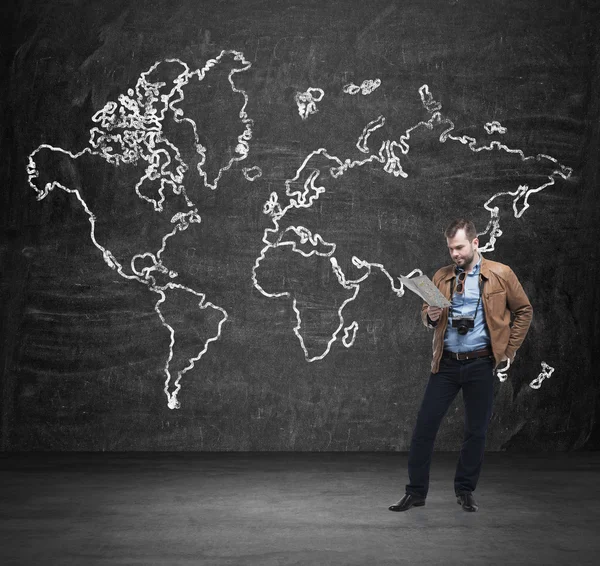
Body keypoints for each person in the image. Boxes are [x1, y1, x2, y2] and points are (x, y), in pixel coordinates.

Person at [389, 219, 533, 512]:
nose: (454, 254)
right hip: (446, 364)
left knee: (476, 431)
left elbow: (524, 310)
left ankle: (465, 490)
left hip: (481, 363)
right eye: (450, 249)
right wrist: (429, 314)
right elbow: (428, 319)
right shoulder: (441, 276)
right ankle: (415, 492)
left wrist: (508, 350)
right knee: (424, 429)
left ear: (475, 243)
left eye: (459, 247)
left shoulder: (501, 274)